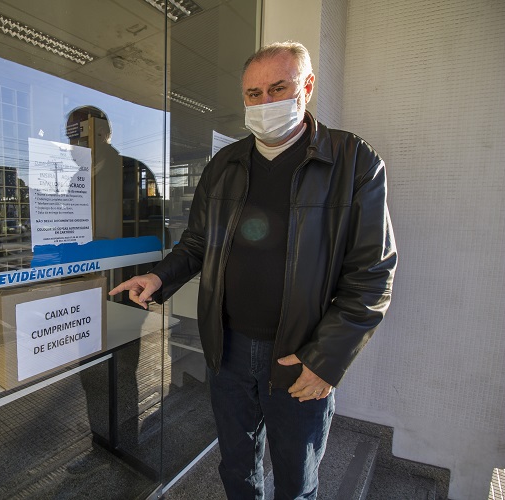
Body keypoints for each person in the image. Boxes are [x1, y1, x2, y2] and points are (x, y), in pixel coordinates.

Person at [109, 41, 397, 499]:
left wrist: (326, 360)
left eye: (278, 89)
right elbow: (198, 242)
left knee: (296, 478)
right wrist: (160, 277)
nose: (265, 102)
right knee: (236, 467)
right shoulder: (224, 165)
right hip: (228, 350)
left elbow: (372, 274)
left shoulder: (352, 161)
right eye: (253, 93)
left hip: (300, 353)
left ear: (306, 87)